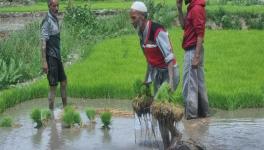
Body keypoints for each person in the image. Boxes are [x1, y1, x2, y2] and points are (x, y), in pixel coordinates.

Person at [130, 1, 180, 149]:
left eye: (133, 18)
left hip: (170, 73)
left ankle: (176, 134)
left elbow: (170, 58)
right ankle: (167, 146)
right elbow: (149, 61)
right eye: (130, 18)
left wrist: (170, 83)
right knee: (160, 115)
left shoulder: (157, 31)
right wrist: (146, 82)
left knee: (157, 109)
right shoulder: (141, 34)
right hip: (157, 73)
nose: (131, 21)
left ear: (142, 16)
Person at [176, 0, 209, 119]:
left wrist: (196, 56)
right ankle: (203, 114)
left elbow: (200, 34)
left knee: (189, 85)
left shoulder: (196, 9)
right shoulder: (192, 7)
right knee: (198, 83)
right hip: (194, 49)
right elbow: (184, 26)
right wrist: (179, 9)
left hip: (193, 50)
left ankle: (191, 116)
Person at [41, 0, 67, 110]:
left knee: (64, 82)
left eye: (57, 5)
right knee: (53, 86)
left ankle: (66, 108)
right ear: (49, 6)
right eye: (54, 6)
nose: (56, 8)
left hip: (57, 56)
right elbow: (43, 43)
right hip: (51, 57)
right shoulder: (47, 20)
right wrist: (44, 62)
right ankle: (50, 112)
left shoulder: (55, 18)